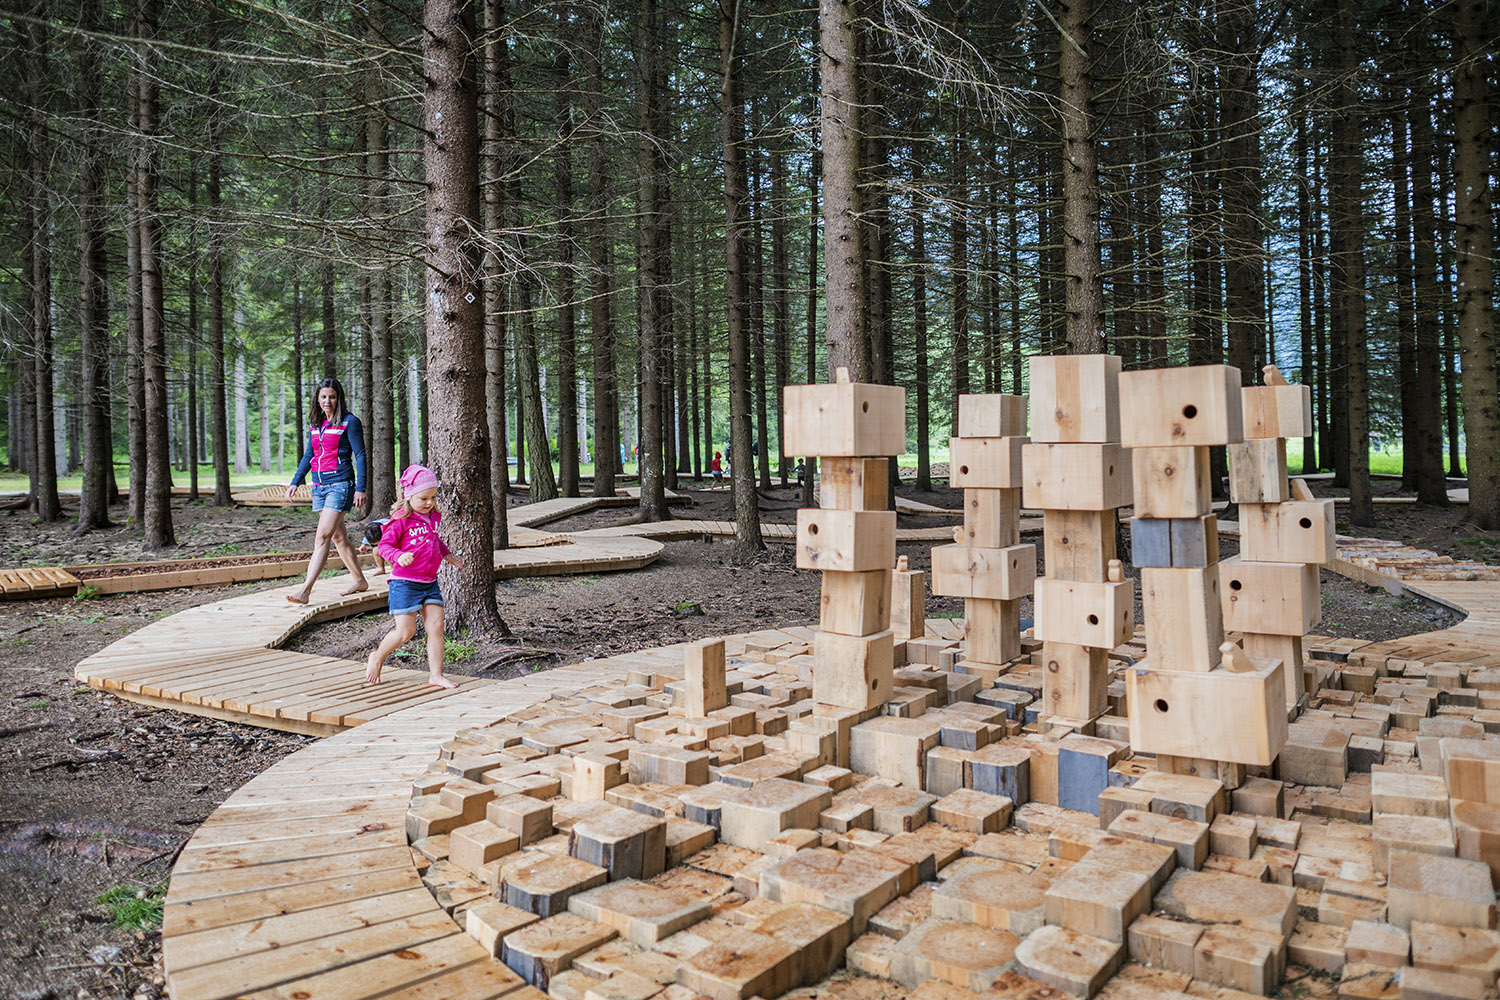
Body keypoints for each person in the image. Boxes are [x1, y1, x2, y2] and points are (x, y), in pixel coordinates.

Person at [365, 465, 464, 688]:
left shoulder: (433, 517)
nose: (429, 502)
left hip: (429, 582)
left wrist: (446, 554)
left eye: (433, 497)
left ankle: (436, 675)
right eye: (423, 498)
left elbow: (433, 540)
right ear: (409, 496)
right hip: (405, 583)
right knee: (405, 632)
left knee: (436, 625)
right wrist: (398, 556)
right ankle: (377, 656)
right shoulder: (400, 520)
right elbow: (384, 546)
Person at [286, 377, 369, 604]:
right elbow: (308, 455)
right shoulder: (316, 423)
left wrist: (361, 488)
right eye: (323, 397)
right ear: (318, 399)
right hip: (319, 487)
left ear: (338, 398)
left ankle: (305, 590)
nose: (327, 401)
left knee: (322, 536)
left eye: (332, 396)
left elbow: (360, 455)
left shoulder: (349, 422)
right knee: (338, 536)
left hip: (340, 485)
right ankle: (360, 580)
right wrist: (296, 481)